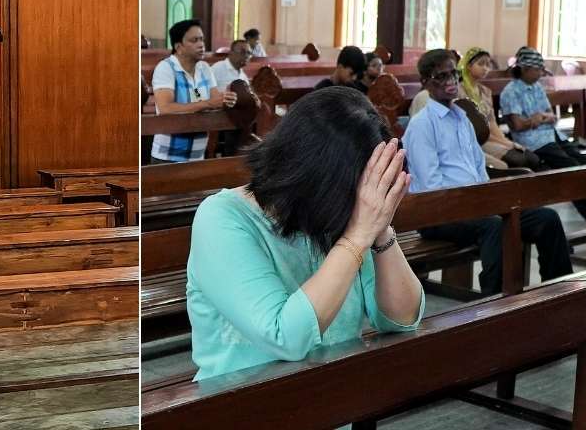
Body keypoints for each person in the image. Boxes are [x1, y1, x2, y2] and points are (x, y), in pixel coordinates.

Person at [188, 87, 424, 381]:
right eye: (356, 188)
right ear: (316, 177)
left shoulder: (344, 217)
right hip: (241, 404)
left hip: (329, 402)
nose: (361, 200)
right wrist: (356, 237)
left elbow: (402, 319)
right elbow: (284, 337)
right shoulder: (221, 218)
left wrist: (380, 227)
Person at [403, 49, 573, 295]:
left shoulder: (462, 118)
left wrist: (488, 199)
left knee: (546, 218)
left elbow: (478, 168)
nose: (451, 82)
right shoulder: (423, 125)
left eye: (454, 74)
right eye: (442, 76)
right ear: (426, 82)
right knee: (493, 226)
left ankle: (559, 293)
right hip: (437, 213)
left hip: (476, 205)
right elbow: (431, 186)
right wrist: (474, 204)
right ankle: (494, 304)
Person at [500, 47, 586, 220]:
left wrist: (538, 118)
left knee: (585, 163)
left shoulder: (537, 87)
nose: (541, 73)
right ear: (525, 69)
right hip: (533, 141)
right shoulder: (510, 92)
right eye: (538, 69)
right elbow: (518, 125)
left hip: (552, 135)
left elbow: (551, 116)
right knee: (571, 169)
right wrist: (540, 118)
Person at [151, 20, 237, 163]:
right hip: (168, 156)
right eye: (194, 40)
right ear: (179, 47)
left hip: (197, 154)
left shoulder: (204, 68)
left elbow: (216, 102)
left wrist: (228, 100)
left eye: (202, 39)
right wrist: (208, 103)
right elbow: (165, 108)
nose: (201, 44)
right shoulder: (166, 68)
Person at [458, 47, 543, 171]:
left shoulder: (486, 91)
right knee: (519, 160)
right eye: (480, 64)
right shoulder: (458, 91)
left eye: (488, 65)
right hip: (474, 140)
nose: (485, 68)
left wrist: (506, 142)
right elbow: (473, 129)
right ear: (468, 66)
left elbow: (492, 123)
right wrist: (506, 144)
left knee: (532, 158)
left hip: (490, 137)